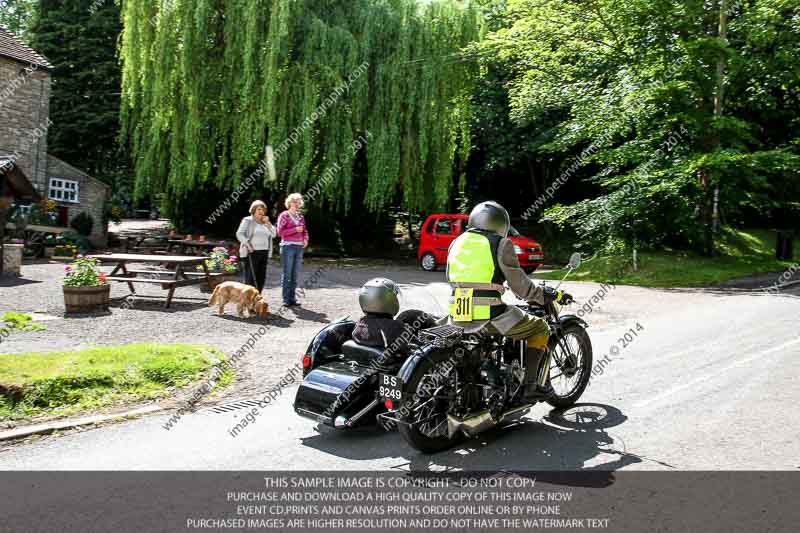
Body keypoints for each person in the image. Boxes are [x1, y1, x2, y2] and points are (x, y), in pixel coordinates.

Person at [445, 201, 573, 403]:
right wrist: (542, 295)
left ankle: (492, 372)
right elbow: (521, 287)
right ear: (499, 223)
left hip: (457, 312)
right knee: (540, 328)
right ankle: (530, 386)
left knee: (485, 338)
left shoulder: (457, 242)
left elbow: (451, 278)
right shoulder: (500, 244)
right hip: (489, 314)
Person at [352, 278, 424, 359]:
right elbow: (418, 349)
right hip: (393, 367)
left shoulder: (360, 323)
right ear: (389, 301)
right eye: (395, 297)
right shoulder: (395, 327)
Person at [236, 200, 276, 293]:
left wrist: (269, 224)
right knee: (250, 279)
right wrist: (247, 243)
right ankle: (248, 302)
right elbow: (239, 234)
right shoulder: (248, 220)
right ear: (253, 210)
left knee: (261, 278)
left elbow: (274, 234)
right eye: (259, 209)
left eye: (263, 210)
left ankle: (257, 299)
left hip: (264, 252)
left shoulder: (266, 222)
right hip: (251, 252)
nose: (261, 211)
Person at [276, 193, 309, 307]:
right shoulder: (284, 215)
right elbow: (280, 232)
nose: (296, 204)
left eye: (298, 202)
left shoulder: (300, 216)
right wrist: (295, 229)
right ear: (289, 203)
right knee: (287, 274)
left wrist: (305, 239)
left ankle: (292, 298)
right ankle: (285, 299)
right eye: (294, 202)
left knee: (295, 275)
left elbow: (305, 231)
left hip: (299, 247)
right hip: (287, 247)